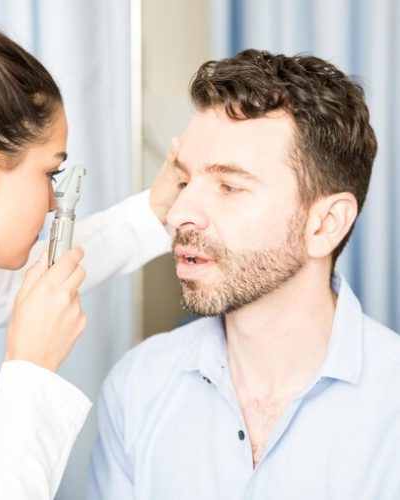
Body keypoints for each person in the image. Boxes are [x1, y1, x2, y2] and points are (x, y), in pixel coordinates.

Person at [87, 49, 400, 500]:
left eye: (229, 186)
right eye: (185, 180)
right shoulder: (136, 387)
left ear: (325, 224)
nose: (178, 214)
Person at [0, 1, 176, 498]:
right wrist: (31, 364)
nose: (54, 202)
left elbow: (23, 279)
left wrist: (153, 212)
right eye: (49, 172)